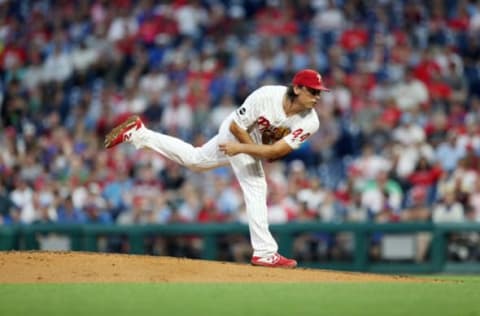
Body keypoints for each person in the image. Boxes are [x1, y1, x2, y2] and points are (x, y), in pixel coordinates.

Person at [104, 69, 329, 268]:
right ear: (297, 88)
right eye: (313, 91)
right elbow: (235, 126)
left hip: (248, 144)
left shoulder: (310, 122)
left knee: (196, 160)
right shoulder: (266, 95)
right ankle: (265, 252)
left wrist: (245, 149)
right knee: (256, 185)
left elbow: (276, 153)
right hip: (235, 132)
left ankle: (140, 133)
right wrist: (244, 147)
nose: (317, 97)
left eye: (319, 92)